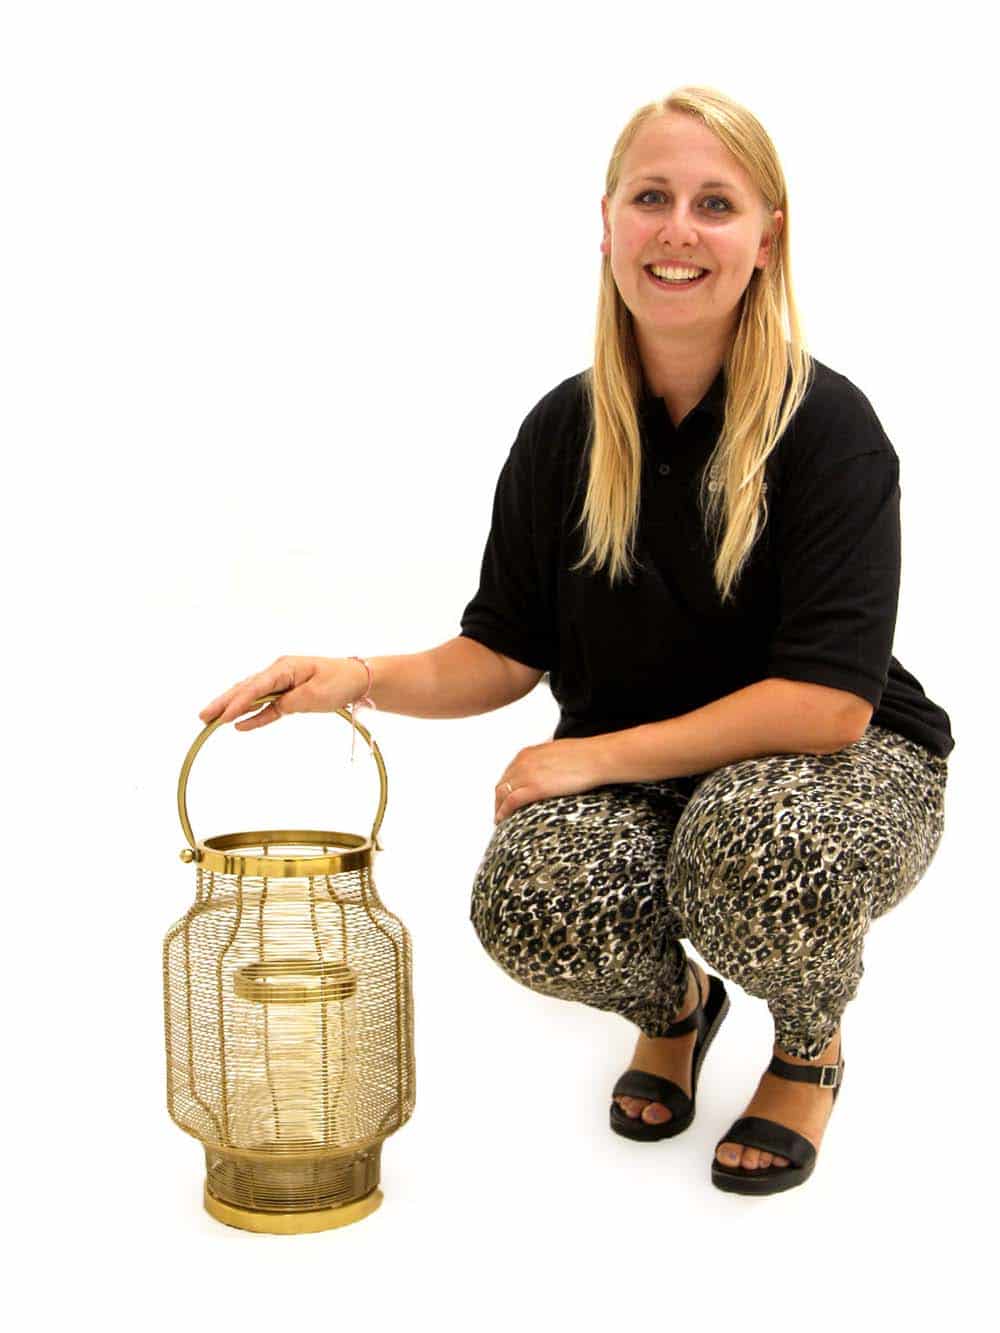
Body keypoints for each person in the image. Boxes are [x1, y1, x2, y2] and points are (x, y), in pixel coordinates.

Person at [199, 85, 953, 1198]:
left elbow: (827, 705)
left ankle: (808, 1046)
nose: (677, 230)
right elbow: (502, 652)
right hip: (657, 779)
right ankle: (678, 1009)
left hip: (838, 769)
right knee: (528, 898)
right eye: (652, 198)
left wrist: (589, 755)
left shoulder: (827, 426)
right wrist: (351, 676)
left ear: (766, 238)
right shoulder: (565, 429)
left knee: (755, 848)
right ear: (606, 222)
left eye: (715, 204)